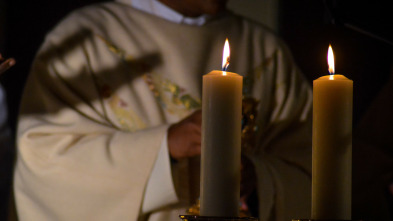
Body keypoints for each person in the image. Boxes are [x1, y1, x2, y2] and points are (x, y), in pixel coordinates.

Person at [14, 0, 312, 220]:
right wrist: (164, 147)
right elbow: (45, 162)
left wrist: (259, 179)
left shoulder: (265, 48)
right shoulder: (86, 38)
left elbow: (312, 164)